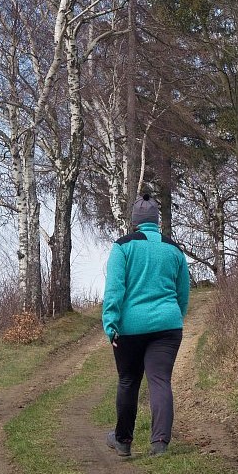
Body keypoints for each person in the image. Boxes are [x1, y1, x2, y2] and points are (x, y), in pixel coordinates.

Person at [102, 192, 190, 457]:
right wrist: (174, 318)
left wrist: (111, 323)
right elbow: (182, 292)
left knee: (128, 380)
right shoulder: (174, 249)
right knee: (160, 380)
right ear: (156, 221)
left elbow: (114, 289)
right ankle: (159, 443)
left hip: (130, 329)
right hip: (168, 326)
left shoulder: (123, 246)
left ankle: (123, 441)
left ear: (134, 221)